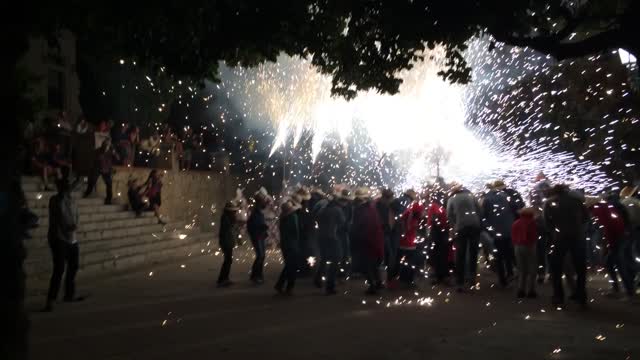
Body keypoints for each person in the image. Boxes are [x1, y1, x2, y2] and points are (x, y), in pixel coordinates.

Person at [543, 184, 589, 307]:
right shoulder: (577, 201)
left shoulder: (550, 202)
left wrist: (553, 232)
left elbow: (547, 222)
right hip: (577, 237)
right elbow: (586, 218)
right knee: (580, 268)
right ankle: (581, 296)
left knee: (556, 268)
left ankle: (558, 296)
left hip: (559, 238)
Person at [45, 179, 81, 311]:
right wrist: (68, 227)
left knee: (73, 266)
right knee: (59, 269)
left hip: (72, 239)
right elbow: (59, 216)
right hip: (58, 238)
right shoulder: (55, 200)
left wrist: (75, 226)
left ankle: (69, 294)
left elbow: (76, 215)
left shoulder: (72, 200)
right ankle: (51, 300)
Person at [590, 196, 635, 298]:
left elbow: (609, 227)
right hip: (620, 236)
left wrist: (609, 245)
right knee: (610, 263)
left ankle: (629, 292)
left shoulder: (599, 210)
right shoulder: (604, 207)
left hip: (618, 237)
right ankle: (618, 289)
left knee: (620, 264)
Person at [446, 184, 482, 292]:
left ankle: (460, 282)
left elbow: (449, 214)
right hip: (474, 226)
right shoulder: (472, 196)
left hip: (461, 227)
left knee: (460, 254)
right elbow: (479, 210)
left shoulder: (452, 199)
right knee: (473, 253)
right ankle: (472, 278)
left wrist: (453, 227)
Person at [351, 187, 385, 295]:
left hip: (366, 241)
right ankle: (379, 282)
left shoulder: (360, 210)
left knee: (367, 265)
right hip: (375, 240)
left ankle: (372, 286)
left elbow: (358, 227)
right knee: (374, 264)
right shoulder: (372, 207)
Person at [314, 190, 348, 295]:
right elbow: (343, 223)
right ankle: (330, 285)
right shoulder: (337, 210)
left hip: (321, 236)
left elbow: (317, 218)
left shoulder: (324, 208)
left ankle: (318, 279)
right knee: (336, 260)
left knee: (324, 259)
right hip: (332, 238)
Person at [482, 182, 516, 287]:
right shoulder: (505, 196)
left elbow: (484, 216)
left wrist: (488, 229)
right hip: (508, 228)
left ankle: (502, 279)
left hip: (496, 230)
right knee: (508, 251)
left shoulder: (486, 199)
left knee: (498, 255)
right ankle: (510, 272)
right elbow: (513, 209)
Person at [511, 207, 538, 298]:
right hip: (529, 246)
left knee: (522, 269)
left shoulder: (516, 223)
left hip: (518, 247)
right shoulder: (532, 223)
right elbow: (534, 235)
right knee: (532, 268)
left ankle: (521, 289)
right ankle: (531, 290)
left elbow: (513, 236)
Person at [275, 200, 301, 295]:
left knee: (288, 265)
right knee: (292, 266)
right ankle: (289, 287)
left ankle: (280, 284)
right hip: (292, 245)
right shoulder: (293, 217)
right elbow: (296, 232)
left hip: (285, 244)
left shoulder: (282, 218)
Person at [530, 172, 551, 284]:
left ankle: (541, 274)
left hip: (540, 223)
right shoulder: (552, 188)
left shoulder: (535, 189)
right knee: (552, 249)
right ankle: (553, 273)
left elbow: (534, 207)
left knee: (540, 250)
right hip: (552, 223)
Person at [398, 199, 425, 287]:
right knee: (411, 263)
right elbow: (409, 228)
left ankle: (404, 279)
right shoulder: (411, 215)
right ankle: (408, 281)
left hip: (405, 242)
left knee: (406, 262)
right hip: (408, 243)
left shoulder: (408, 213)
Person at [84, 138, 118, 205]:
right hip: (97, 168)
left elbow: (117, 159)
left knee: (109, 185)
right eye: (106, 144)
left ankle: (108, 199)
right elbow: (94, 159)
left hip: (106, 170)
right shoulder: (98, 151)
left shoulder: (111, 152)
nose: (107, 145)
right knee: (92, 181)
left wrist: (114, 154)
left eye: (108, 144)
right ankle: (87, 192)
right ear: (103, 144)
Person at [247, 188, 271, 284]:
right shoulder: (255, 212)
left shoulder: (258, 210)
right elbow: (253, 225)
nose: (265, 202)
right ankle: (255, 275)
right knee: (260, 255)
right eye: (263, 201)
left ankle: (258, 275)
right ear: (260, 201)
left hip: (259, 236)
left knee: (262, 256)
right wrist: (262, 227)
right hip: (257, 236)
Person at [427, 189, 449, 285]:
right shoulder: (436, 206)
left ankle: (439, 276)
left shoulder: (435, 206)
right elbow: (435, 216)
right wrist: (440, 226)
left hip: (437, 232)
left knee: (438, 254)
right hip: (438, 233)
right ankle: (440, 276)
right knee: (439, 254)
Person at [217, 201, 239, 287]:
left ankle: (225, 278)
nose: (235, 213)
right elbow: (227, 229)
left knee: (228, 260)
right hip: (226, 242)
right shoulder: (225, 218)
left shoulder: (227, 217)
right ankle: (222, 279)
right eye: (233, 211)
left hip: (228, 242)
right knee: (227, 260)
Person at [620, 186, 640, 279]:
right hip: (637, 229)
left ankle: (635, 273)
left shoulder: (624, 203)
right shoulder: (637, 202)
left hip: (630, 230)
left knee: (630, 253)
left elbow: (629, 218)